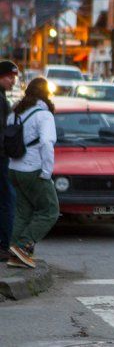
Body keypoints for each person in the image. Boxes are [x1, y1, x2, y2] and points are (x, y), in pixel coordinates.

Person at [5, 77, 58, 269]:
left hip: (13, 169)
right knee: (50, 211)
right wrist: (47, 172)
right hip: (32, 169)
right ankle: (23, 246)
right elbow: (46, 143)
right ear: (46, 94)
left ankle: (13, 254)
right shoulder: (44, 115)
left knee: (23, 212)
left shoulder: (16, 112)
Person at [0, 60, 18, 262]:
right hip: (1, 158)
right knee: (7, 201)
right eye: (9, 77)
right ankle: (4, 245)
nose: (12, 81)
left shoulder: (3, 97)